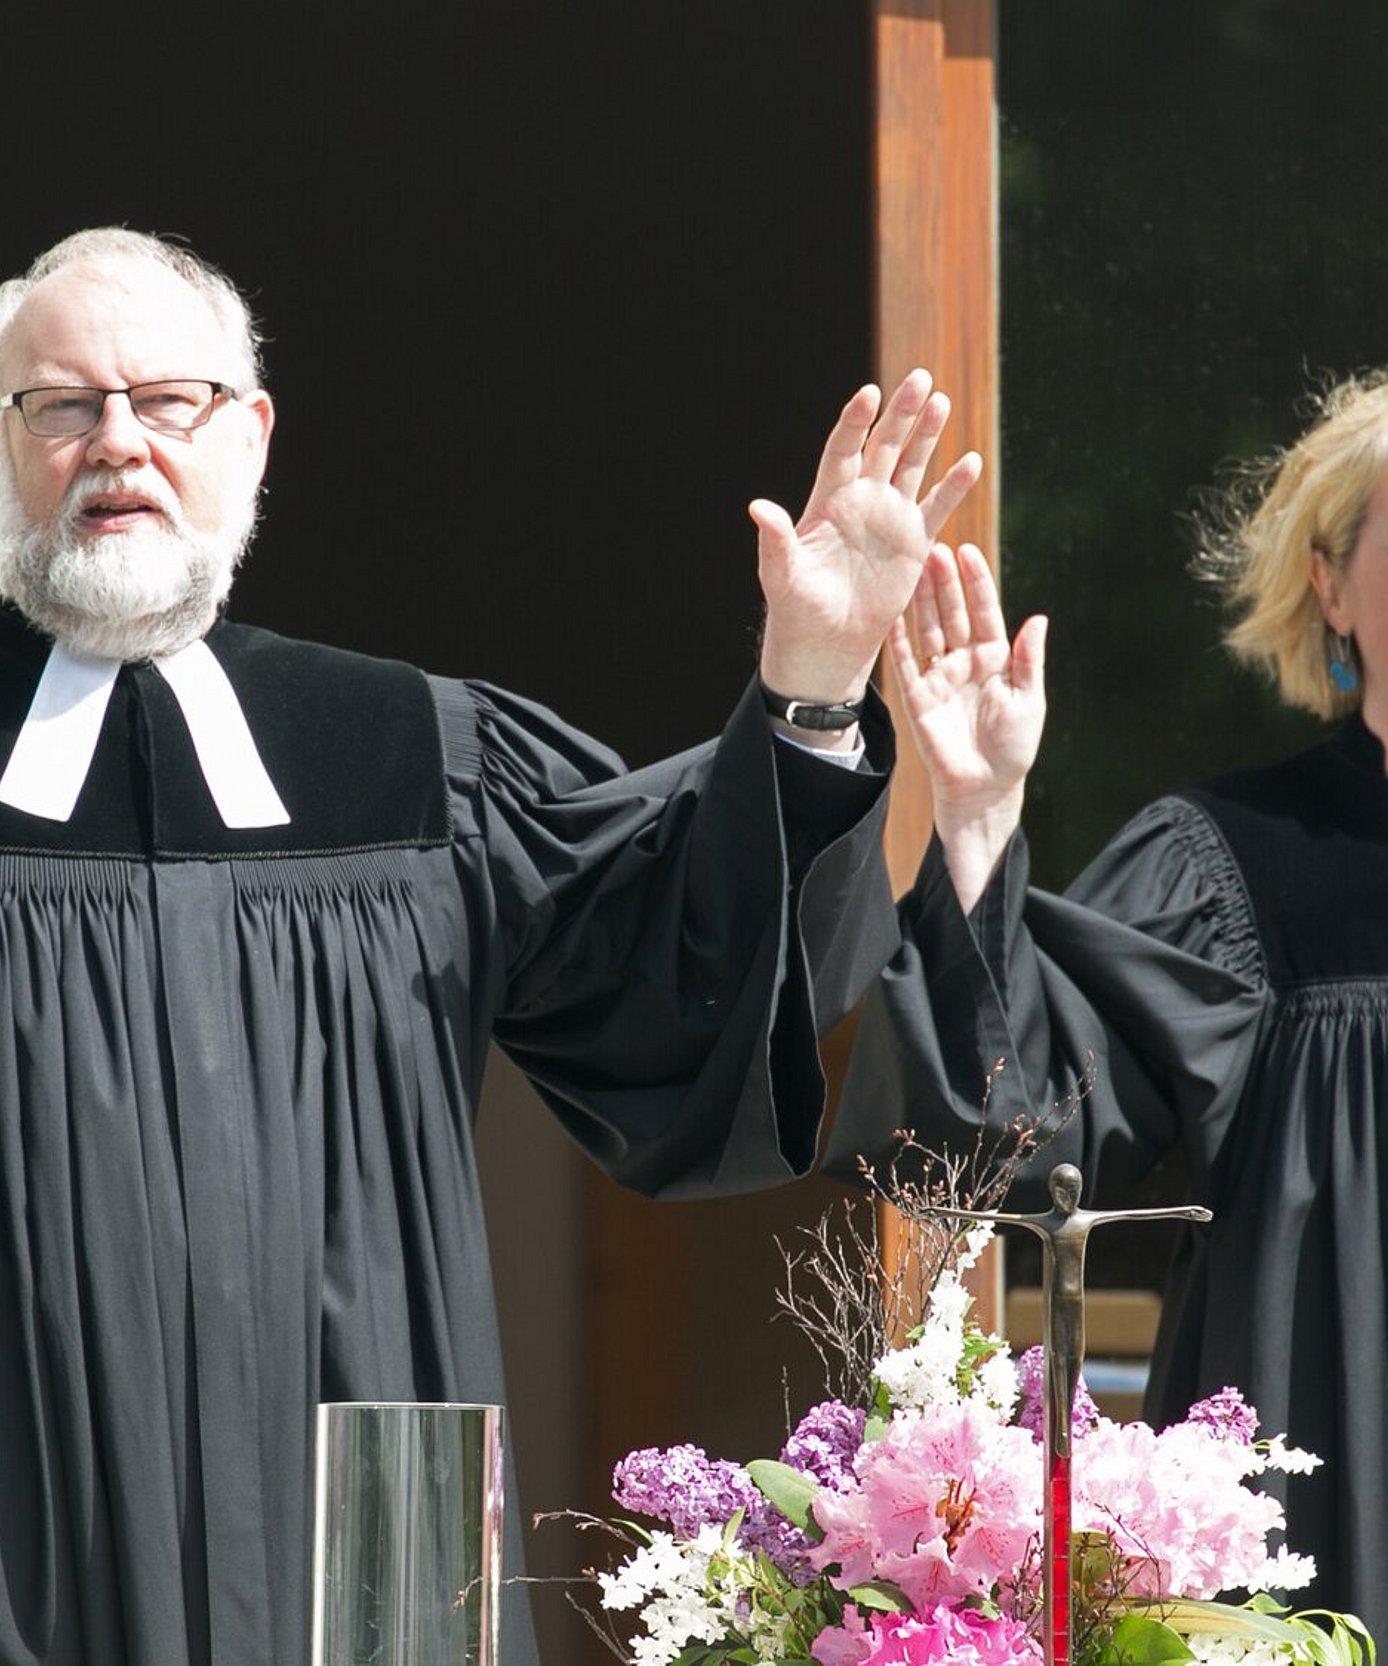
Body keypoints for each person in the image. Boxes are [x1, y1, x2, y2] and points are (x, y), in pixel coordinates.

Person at [0, 226, 979, 1666]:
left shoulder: (420, 756)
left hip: (366, 1511)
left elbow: (671, 974)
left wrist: (817, 675)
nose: (118, 443)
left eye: (168, 400)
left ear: (253, 434)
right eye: (62, 404)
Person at [835, 350, 1388, 1666]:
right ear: (1327, 578)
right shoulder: (1226, 859)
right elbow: (1014, 1139)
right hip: (1327, 1546)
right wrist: (981, 812)